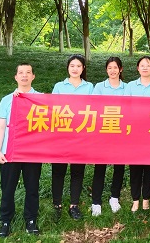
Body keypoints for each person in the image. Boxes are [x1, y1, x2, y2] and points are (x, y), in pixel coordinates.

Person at [0, 63, 42, 238]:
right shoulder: (7, 100)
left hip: (32, 152)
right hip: (10, 152)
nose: (24, 75)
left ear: (33, 76)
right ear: (15, 77)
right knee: (8, 189)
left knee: (32, 188)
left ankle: (31, 220)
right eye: (21, 73)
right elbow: (1, 127)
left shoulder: (41, 99)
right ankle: (5, 221)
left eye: (28, 72)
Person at [51, 54, 94, 220]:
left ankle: (74, 205)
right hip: (61, 134)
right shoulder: (59, 86)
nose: (75, 69)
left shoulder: (89, 87)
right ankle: (57, 205)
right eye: (72, 66)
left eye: (78, 66)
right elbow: (51, 108)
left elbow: (95, 108)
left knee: (77, 171)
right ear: (68, 68)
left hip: (81, 135)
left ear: (83, 69)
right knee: (58, 171)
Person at [125, 55, 150, 212]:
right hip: (135, 133)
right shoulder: (130, 86)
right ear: (138, 68)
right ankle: (135, 199)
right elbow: (125, 107)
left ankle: (146, 198)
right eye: (142, 65)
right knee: (135, 168)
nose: (145, 67)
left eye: (148, 65)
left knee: (149, 168)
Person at [90, 56, 126, 216]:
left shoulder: (127, 88)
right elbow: (93, 107)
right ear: (106, 70)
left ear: (120, 69)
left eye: (115, 67)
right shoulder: (99, 87)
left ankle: (114, 197)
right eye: (110, 68)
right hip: (103, 132)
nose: (112, 70)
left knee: (119, 167)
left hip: (121, 132)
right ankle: (96, 201)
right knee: (100, 167)